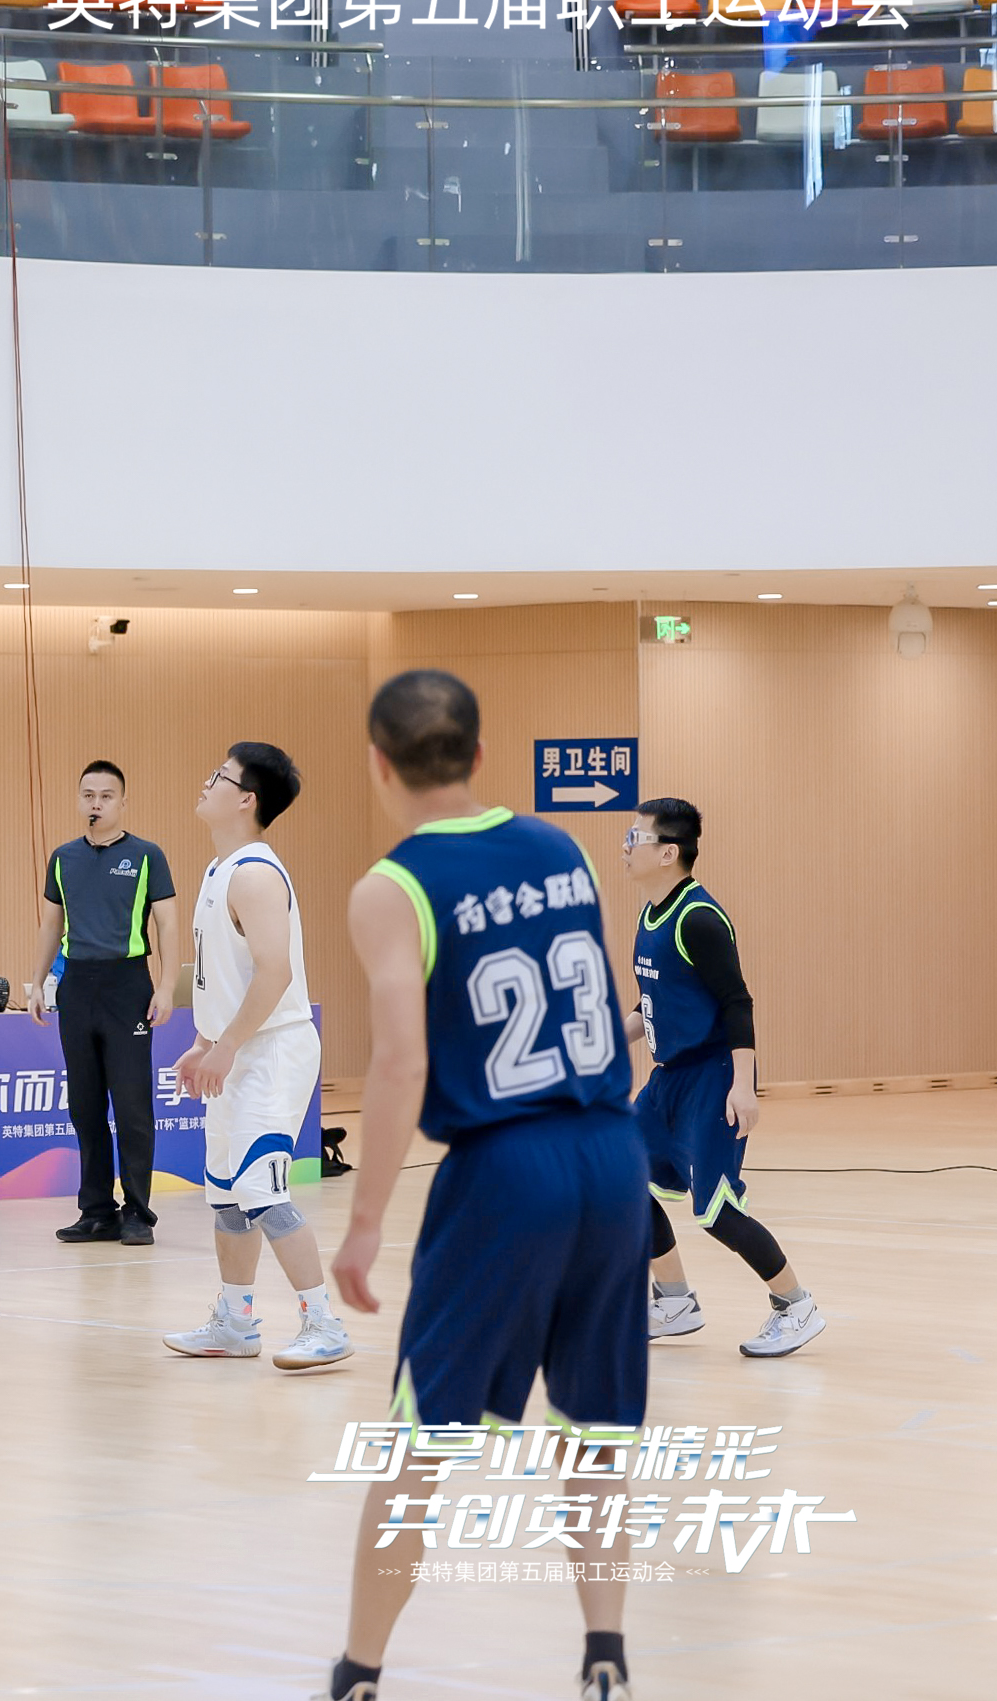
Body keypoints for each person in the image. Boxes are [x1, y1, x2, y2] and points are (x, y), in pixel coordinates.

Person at [327, 671, 648, 1701]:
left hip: (505, 1168)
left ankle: (358, 1673)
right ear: (477, 753)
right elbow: (604, 996)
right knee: (594, 1432)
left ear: (378, 764)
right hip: (611, 1153)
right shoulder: (564, 848)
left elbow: (399, 1061)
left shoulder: (391, 886)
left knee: (419, 1440)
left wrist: (364, 1222)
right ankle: (605, 1657)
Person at [161, 743, 350, 1370]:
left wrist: (229, 1045)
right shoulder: (219, 870)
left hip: (272, 1050)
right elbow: (225, 975)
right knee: (226, 1197)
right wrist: (205, 1043)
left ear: (246, 799)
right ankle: (236, 1322)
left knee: (263, 1193)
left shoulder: (254, 874)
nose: (205, 781)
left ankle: (324, 1323)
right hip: (236, 1048)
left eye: (218, 776)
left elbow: (275, 973)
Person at [622, 797, 823, 1358]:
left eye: (636, 837)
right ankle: (675, 1301)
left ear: (668, 853)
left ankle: (796, 1305)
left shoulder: (699, 919)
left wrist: (743, 1084)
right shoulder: (649, 914)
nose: (626, 847)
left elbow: (737, 1002)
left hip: (712, 1077)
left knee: (716, 1211)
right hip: (667, 1079)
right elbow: (652, 1003)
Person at [32, 760, 181, 1247]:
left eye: (106, 796)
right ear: (79, 800)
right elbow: (51, 924)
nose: (96, 804)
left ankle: (137, 1212)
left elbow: (167, 924)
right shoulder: (63, 858)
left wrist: (165, 987)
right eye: (88, 795)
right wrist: (37, 982)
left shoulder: (146, 856)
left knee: (132, 1106)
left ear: (122, 802)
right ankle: (97, 1211)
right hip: (77, 987)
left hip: (127, 985)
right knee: (85, 1105)